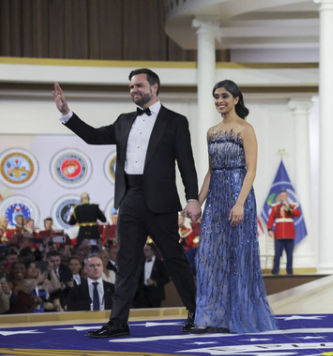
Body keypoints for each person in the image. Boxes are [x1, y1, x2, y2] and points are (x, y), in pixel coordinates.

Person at [52, 67, 201, 338]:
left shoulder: (176, 121)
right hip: (130, 198)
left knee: (175, 258)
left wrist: (192, 198)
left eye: (139, 86)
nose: (134, 91)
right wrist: (67, 114)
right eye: (131, 87)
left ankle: (197, 313)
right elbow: (94, 136)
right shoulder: (123, 121)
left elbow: (186, 164)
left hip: (162, 202)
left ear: (154, 87)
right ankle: (118, 322)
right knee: (126, 260)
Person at [192, 80, 276, 334]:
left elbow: (251, 170)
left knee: (238, 259)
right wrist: (197, 201)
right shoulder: (211, 132)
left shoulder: (245, 129)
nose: (219, 100)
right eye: (216, 96)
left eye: (224, 96)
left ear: (236, 99)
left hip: (239, 199)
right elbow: (210, 172)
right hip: (215, 201)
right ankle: (209, 317)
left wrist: (239, 203)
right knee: (209, 257)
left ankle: (239, 317)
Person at [267, 189, 301, 275]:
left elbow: (297, 214)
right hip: (279, 235)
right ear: (279, 198)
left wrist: (288, 206)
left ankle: (289, 272)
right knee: (277, 254)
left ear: (287, 197)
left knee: (289, 255)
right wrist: (269, 229)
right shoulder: (275, 208)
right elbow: (271, 219)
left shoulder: (292, 206)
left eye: (285, 196)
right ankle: (275, 271)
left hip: (289, 234)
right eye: (281, 196)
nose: (283, 197)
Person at [134, 243, 170, 308]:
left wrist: (154, 282)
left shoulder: (160, 263)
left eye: (147, 250)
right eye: (144, 250)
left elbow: (166, 278)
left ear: (152, 251)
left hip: (155, 294)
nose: (145, 252)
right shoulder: (140, 262)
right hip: (142, 294)